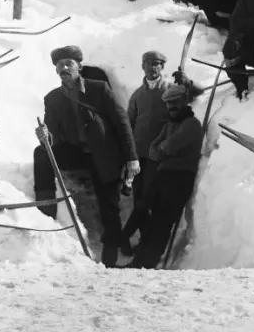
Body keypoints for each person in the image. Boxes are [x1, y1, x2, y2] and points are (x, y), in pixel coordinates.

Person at [34, 45, 140, 267]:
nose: (64, 68)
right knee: (40, 153)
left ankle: (111, 252)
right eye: (60, 65)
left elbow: (121, 122)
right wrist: (45, 136)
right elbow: (52, 133)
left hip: (105, 153)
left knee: (108, 205)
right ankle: (46, 210)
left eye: (68, 63)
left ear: (79, 66)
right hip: (77, 152)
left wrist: (131, 158)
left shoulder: (99, 89)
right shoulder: (53, 98)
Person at [122, 51, 194, 255]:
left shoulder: (172, 90)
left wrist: (186, 81)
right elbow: (129, 124)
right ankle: (143, 240)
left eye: (157, 64)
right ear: (142, 66)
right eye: (149, 64)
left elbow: (194, 94)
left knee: (150, 199)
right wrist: (129, 153)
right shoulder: (137, 95)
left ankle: (136, 240)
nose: (153, 67)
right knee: (139, 198)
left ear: (162, 67)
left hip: (159, 155)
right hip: (139, 155)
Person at [128, 84, 204, 269]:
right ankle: (138, 260)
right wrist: (164, 149)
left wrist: (164, 149)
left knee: (162, 222)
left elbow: (170, 146)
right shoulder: (169, 125)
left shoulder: (192, 124)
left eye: (175, 104)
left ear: (184, 103)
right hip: (162, 176)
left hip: (179, 179)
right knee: (147, 214)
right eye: (168, 105)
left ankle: (148, 262)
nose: (171, 108)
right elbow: (154, 150)